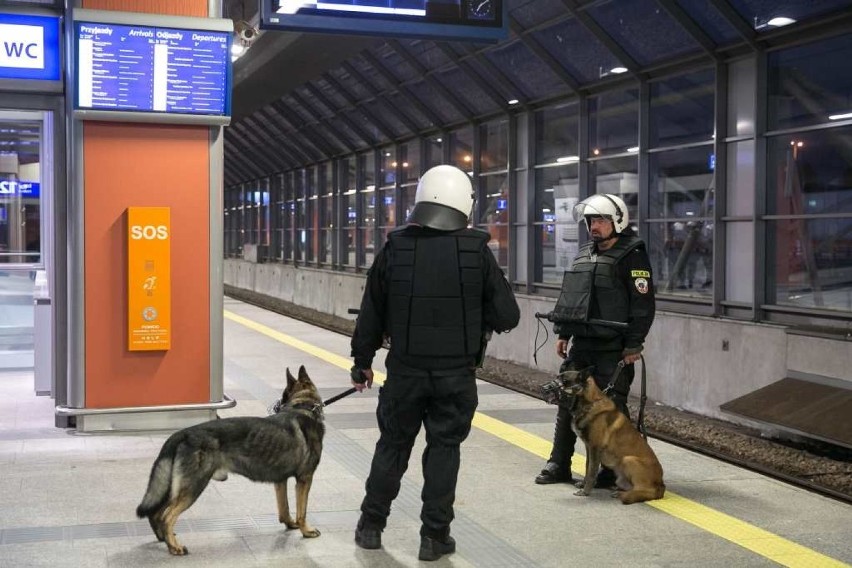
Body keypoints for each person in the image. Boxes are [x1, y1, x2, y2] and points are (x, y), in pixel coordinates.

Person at [350, 164, 520, 561]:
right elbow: (507, 316)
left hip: (405, 372)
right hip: (455, 377)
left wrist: (362, 363)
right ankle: (434, 537)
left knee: (392, 445)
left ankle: (371, 527)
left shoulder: (396, 246)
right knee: (444, 450)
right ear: (464, 202)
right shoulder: (476, 250)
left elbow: (370, 314)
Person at [535, 193, 655, 488]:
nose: (594, 226)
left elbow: (643, 305)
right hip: (583, 345)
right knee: (567, 404)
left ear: (617, 221)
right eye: (590, 220)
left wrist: (633, 344)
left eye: (600, 219)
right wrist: (564, 332)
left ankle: (610, 472)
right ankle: (558, 463)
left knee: (613, 410)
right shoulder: (583, 254)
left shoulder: (633, 256)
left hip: (613, 349)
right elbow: (572, 298)